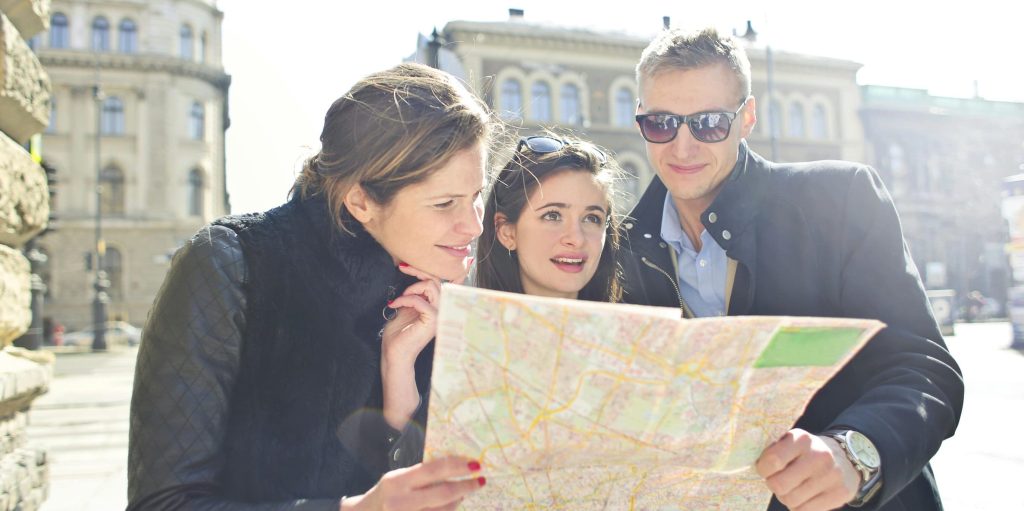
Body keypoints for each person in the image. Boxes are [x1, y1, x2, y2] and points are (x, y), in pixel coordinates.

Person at [620, 28, 964, 511]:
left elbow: (922, 368)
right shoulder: (619, 249)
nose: (682, 147)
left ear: (748, 119)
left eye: (710, 123)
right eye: (661, 123)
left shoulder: (838, 200)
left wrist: (854, 453)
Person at [128, 63, 493, 510]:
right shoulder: (230, 265)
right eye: (444, 204)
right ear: (360, 200)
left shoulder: (429, 292)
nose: (473, 225)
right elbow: (163, 503)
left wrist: (399, 383)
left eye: (476, 196)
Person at [475, 133, 622, 302]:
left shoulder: (640, 327)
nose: (576, 239)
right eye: (553, 215)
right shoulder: (454, 326)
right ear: (507, 232)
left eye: (592, 218)